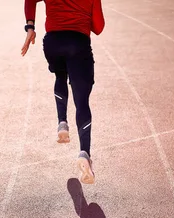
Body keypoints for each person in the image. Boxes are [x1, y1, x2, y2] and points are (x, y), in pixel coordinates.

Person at [21, 0, 105, 184]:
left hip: (53, 43)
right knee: (82, 101)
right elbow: (98, 27)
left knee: (60, 76)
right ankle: (84, 154)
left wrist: (30, 27)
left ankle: (62, 123)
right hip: (78, 43)